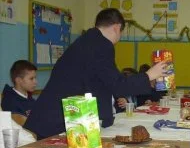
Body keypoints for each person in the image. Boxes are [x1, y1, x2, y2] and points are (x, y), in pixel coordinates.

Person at [24, 8, 166, 139]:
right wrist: (149, 75)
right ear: (117, 27)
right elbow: (117, 85)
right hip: (57, 121)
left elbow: (106, 81)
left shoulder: (88, 41)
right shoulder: (101, 45)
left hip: (55, 116)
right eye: (121, 32)